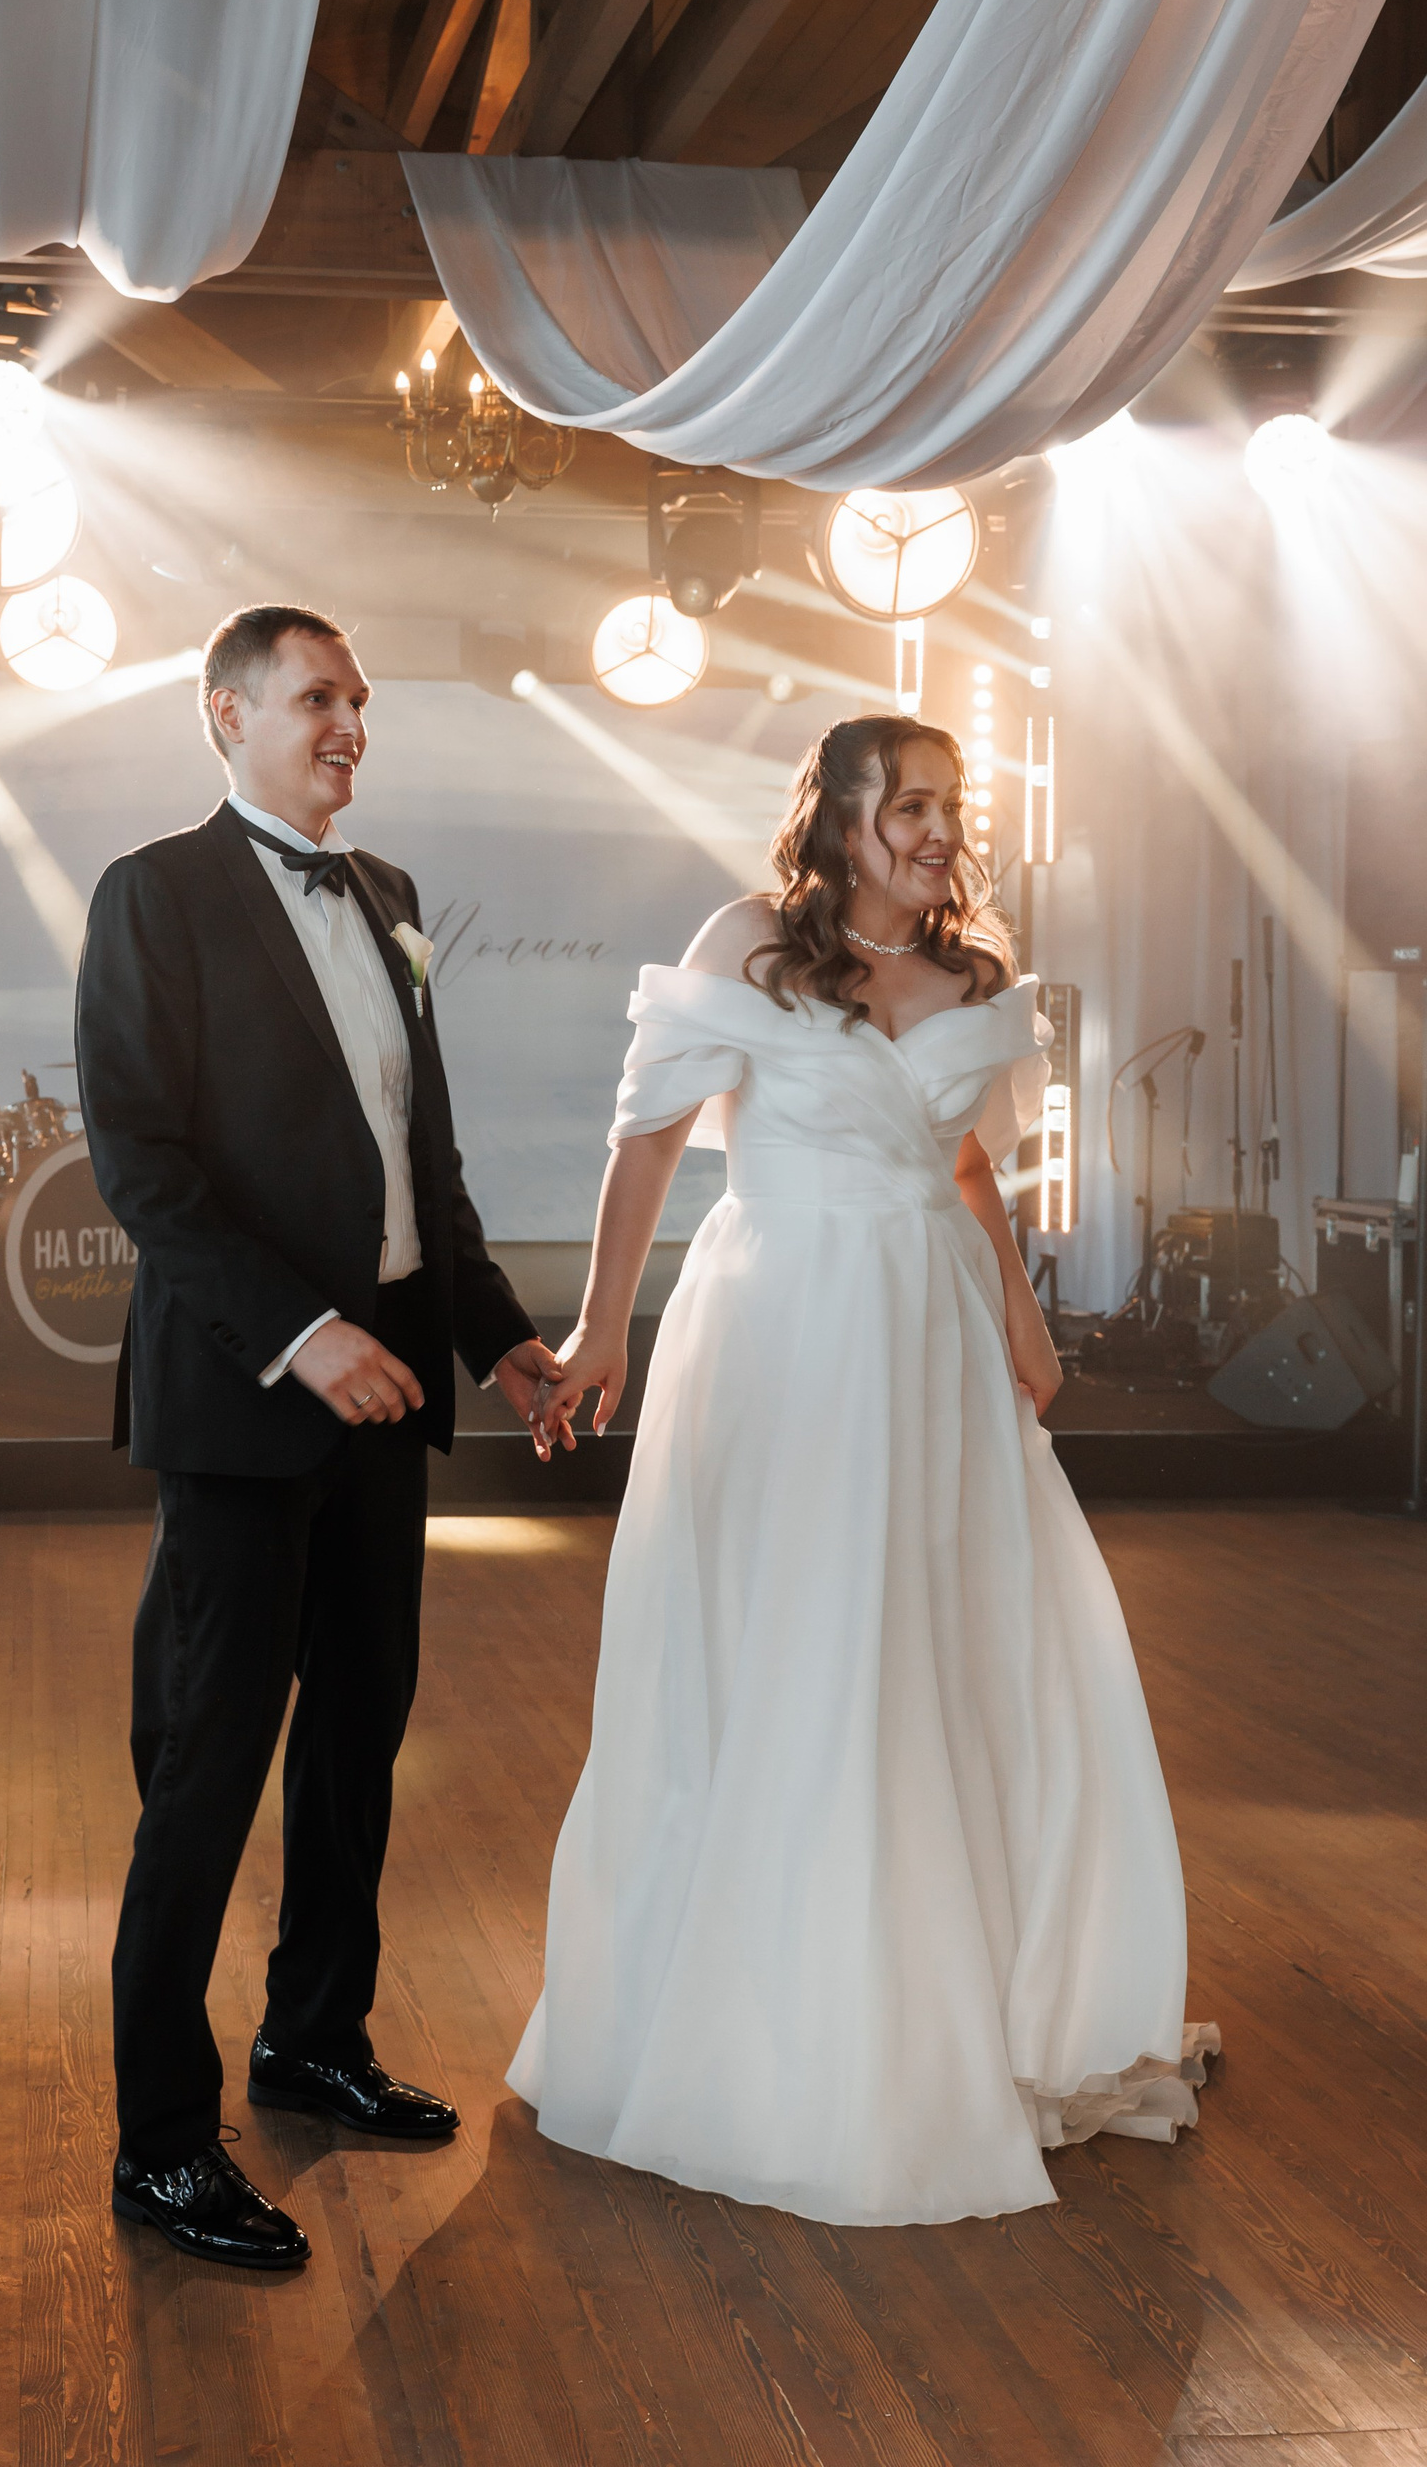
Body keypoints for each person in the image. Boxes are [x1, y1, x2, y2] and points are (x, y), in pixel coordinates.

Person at [513, 715, 1217, 2227]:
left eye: (951, 806)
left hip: (931, 1330)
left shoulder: (976, 976)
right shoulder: (750, 942)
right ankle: (772, 2013)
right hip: (783, 1318)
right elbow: (649, 1142)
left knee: (949, 1640)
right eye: (910, 806)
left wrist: (1022, 1309)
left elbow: (964, 1164)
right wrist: (600, 1326)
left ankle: (964, 1993)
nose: (939, 831)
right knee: (794, 1633)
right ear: (839, 817)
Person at [76, 603, 561, 2271]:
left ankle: (314, 2040)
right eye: (316, 697)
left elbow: (426, 1169)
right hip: (244, 1403)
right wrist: (300, 1335)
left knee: (360, 1735)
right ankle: (161, 2144)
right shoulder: (154, 895)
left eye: (360, 700)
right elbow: (142, 1169)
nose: (349, 723)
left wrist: (497, 1337)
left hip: (392, 1397)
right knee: (206, 1768)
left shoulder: (392, 898)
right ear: (228, 715)